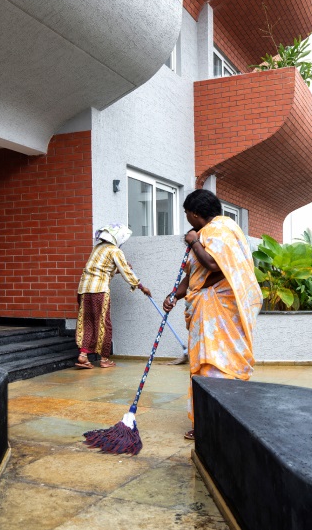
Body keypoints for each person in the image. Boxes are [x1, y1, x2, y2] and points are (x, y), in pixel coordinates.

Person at [163, 188, 262, 439]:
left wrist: (194, 241)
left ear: (195, 214)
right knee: (207, 363)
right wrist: (174, 295)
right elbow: (195, 276)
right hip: (207, 309)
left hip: (219, 311)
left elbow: (215, 265)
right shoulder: (219, 232)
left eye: (186, 213)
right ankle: (210, 420)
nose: (186, 218)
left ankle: (217, 422)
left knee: (216, 364)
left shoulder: (218, 231)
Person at [76, 222, 152, 369]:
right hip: (99, 291)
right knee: (104, 324)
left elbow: (104, 269)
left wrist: (120, 268)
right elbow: (127, 273)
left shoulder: (97, 248)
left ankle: (83, 356)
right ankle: (104, 359)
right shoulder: (115, 251)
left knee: (87, 323)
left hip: (84, 290)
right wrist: (142, 287)